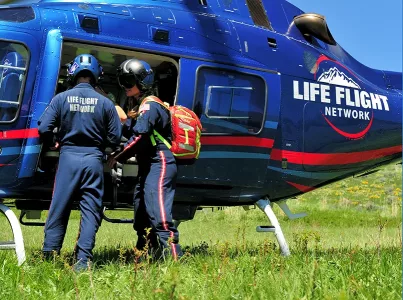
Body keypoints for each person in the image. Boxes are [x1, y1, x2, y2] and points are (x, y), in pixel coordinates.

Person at [38, 54, 122, 271]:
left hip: (68, 158)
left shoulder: (60, 99)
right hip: (93, 160)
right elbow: (114, 138)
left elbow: (43, 128)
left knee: (59, 208)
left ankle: (49, 257)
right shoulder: (106, 103)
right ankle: (83, 262)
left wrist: (55, 143)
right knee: (91, 211)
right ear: (96, 76)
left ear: (73, 73)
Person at [108, 58, 183, 261]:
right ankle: (144, 254)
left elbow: (140, 136)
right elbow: (133, 132)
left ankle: (175, 259)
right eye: (122, 82)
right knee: (141, 211)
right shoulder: (141, 107)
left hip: (160, 163)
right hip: (149, 165)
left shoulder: (150, 106)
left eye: (129, 82)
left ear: (142, 83)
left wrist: (117, 158)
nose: (125, 87)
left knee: (159, 213)